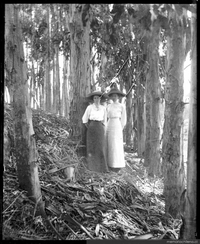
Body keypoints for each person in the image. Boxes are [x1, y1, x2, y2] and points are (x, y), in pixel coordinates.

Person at [82, 90, 109, 173]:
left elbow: (105, 120)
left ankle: (102, 168)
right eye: (95, 98)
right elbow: (84, 119)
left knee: (100, 147)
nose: (96, 99)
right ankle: (92, 167)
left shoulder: (103, 108)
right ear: (93, 99)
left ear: (100, 99)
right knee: (92, 147)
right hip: (91, 128)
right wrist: (90, 126)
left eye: (98, 98)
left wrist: (102, 127)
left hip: (100, 128)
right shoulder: (89, 107)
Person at [106, 86, 127, 173]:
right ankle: (110, 164)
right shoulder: (108, 106)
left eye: (116, 96)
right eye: (113, 96)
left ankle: (117, 165)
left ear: (118, 96)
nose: (114, 97)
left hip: (117, 125)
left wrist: (121, 127)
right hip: (110, 123)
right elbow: (105, 117)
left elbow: (123, 118)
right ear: (111, 97)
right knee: (110, 143)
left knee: (116, 144)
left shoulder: (121, 106)